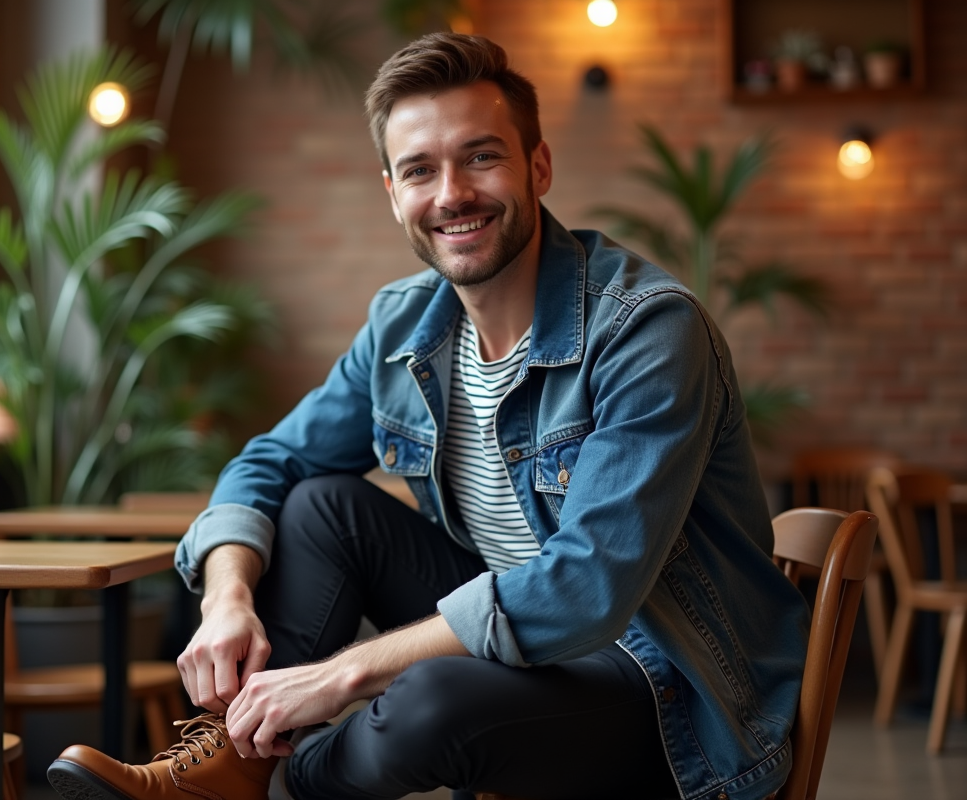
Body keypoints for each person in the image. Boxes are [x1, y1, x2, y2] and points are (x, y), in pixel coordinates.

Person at [47, 32, 809, 800]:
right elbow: (269, 463)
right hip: (523, 653)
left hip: (666, 690)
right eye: (420, 169)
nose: (451, 194)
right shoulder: (402, 328)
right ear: (393, 192)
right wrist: (226, 600)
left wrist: (340, 675)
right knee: (320, 506)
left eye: (481, 157)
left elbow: (585, 588)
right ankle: (234, 764)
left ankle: (253, 781)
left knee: (428, 700)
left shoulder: (645, 329)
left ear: (538, 167)